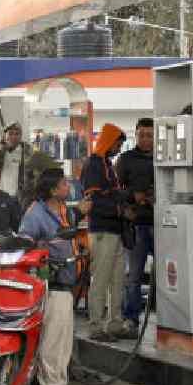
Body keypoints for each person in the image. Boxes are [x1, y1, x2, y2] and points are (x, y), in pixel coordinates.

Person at [19, 169, 92, 385]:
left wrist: (78, 213)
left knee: (62, 337)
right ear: (52, 189)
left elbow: (65, 227)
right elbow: (25, 245)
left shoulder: (59, 210)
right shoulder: (35, 214)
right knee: (53, 337)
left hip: (65, 281)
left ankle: (58, 384)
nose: (67, 187)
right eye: (63, 184)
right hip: (50, 282)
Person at [81, 123, 135, 342]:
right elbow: (93, 200)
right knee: (101, 280)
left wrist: (126, 199)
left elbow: (111, 194)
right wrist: (120, 208)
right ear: (108, 141)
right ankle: (95, 326)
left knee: (117, 279)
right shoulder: (94, 164)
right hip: (102, 230)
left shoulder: (106, 164)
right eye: (117, 144)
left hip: (115, 230)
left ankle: (114, 323)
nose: (118, 148)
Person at [115, 118, 155, 335]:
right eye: (142, 135)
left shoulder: (163, 157)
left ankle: (171, 320)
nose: (146, 139)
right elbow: (116, 191)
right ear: (136, 135)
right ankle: (131, 320)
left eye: (150, 135)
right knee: (134, 276)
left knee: (171, 275)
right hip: (136, 226)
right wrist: (133, 197)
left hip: (164, 225)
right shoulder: (125, 160)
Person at [0, 122, 58, 209]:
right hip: (1, 196)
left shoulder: (28, 152)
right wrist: (1, 149)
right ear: (5, 135)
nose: (13, 137)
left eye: (17, 134)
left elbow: (38, 172)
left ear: (21, 135)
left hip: (21, 197)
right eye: (10, 133)